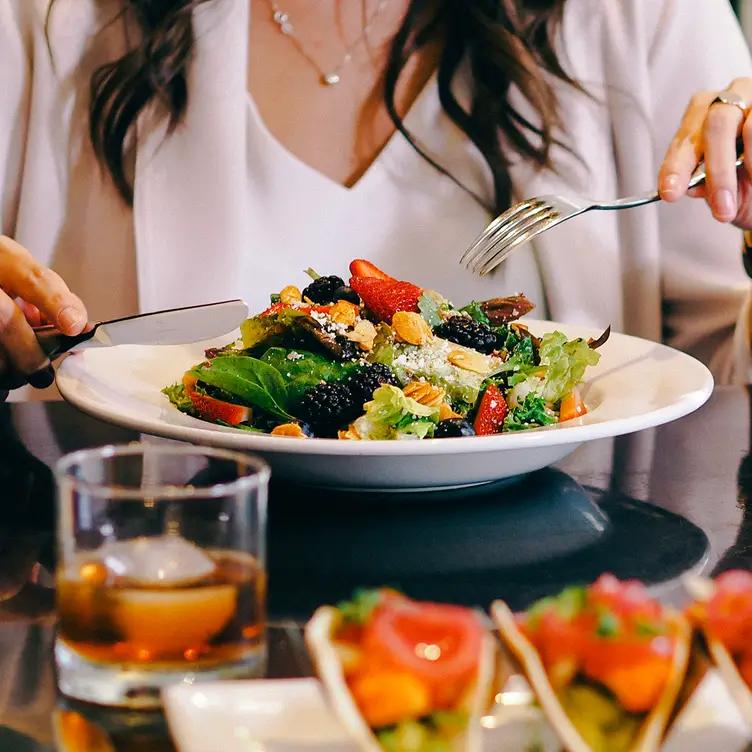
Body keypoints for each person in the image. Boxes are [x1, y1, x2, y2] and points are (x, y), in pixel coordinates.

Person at [1, 0, 752, 400]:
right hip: (168, 592)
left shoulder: (641, 13)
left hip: (553, 605)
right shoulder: (45, 22)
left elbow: (720, 379)